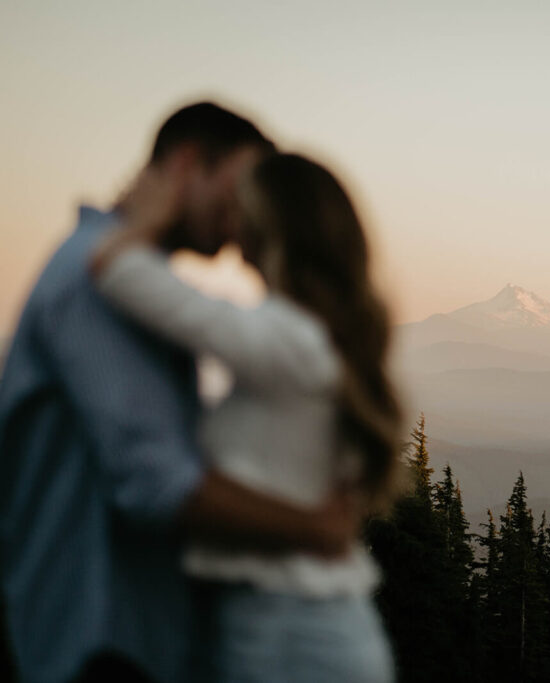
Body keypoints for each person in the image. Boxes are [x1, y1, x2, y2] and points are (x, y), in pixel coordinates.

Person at [0, 103, 363, 683]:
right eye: (240, 188)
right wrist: (314, 529)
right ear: (189, 163)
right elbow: (157, 485)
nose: (245, 216)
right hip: (103, 642)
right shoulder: (96, 282)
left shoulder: (119, 277)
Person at [91, 152, 403, 682]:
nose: (230, 231)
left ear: (268, 232)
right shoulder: (320, 339)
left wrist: (149, 218)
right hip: (305, 630)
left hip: (289, 636)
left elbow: (120, 274)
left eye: (241, 214)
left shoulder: (287, 339)